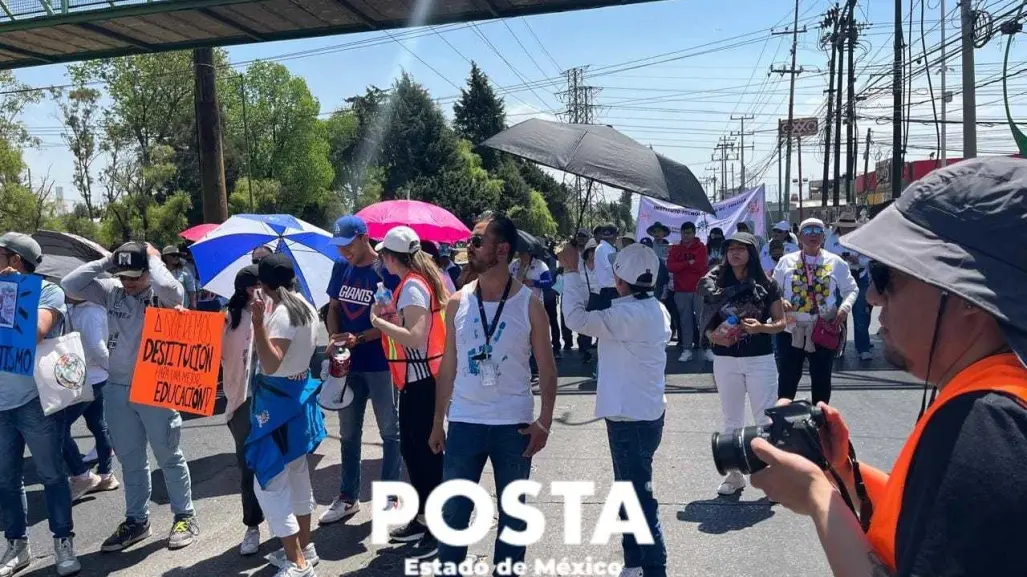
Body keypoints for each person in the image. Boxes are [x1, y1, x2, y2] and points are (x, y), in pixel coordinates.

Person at [751, 156, 1027, 577]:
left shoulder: (989, 428)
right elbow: (926, 520)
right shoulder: (994, 395)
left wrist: (816, 494)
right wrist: (844, 473)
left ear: (968, 297)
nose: (874, 297)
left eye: (888, 275)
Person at [428, 214, 557, 573]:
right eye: (470, 241)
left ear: (502, 250)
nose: (468, 247)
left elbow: (548, 369)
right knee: (452, 516)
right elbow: (448, 367)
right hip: (465, 423)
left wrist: (544, 423)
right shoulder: (457, 302)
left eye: (477, 241)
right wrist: (439, 422)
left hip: (512, 427)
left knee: (513, 522)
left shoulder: (529, 304)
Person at [63, 241, 199, 552]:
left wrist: (152, 260)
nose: (128, 282)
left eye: (134, 276)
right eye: (124, 276)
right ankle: (137, 520)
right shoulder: (111, 290)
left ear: (148, 272)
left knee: (168, 454)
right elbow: (70, 284)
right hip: (117, 386)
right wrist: (108, 261)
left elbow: (174, 292)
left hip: (155, 385)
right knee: (130, 459)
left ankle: (184, 516)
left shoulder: (161, 293)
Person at [560, 242, 671, 577]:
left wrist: (571, 271)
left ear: (621, 279)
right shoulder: (654, 309)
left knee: (637, 499)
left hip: (629, 419)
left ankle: (653, 567)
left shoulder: (626, 315)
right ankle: (634, 562)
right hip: (643, 414)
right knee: (630, 492)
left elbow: (574, 318)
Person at [0, 233, 80, 577]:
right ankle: (17, 545)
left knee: (51, 475)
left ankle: (63, 543)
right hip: (1, 405)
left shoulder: (48, 291)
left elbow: (35, 332)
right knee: (6, 480)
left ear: (15, 260)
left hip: (35, 401)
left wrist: (12, 293)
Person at [245, 255, 325, 577]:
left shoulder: (281, 314)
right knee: (296, 475)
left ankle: (298, 562)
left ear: (264, 286)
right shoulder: (306, 305)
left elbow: (272, 362)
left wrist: (257, 325)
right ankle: (305, 547)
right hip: (298, 399)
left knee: (268, 483)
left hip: (277, 407)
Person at [370, 226, 448, 558]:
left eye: (382, 255)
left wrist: (379, 322)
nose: (380, 260)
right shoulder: (411, 284)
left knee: (425, 454)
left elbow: (415, 337)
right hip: (417, 382)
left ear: (391, 257)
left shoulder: (413, 287)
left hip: (422, 382)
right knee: (414, 452)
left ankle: (436, 526)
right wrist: (390, 316)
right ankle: (422, 518)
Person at [320, 215, 402, 524]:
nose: (343, 252)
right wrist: (333, 338)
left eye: (348, 245)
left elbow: (395, 322)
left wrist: (362, 337)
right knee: (348, 433)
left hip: (380, 363)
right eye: (339, 246)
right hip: (347, 365)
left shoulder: (386, 271)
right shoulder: (341, 267)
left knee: (390, 432)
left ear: (364, 237)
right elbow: (334, 309)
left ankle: (392, 500)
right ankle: (347, 497)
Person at [698, 233, 786, 495]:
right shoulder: (712, 283)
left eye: (741, 249)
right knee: (731, 419)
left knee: (765, 419)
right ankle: (735, 475)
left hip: (760, 360)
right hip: (725, 361)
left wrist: (761, 327)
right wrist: (712, 336)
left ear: (753, 253)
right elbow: (704, 322)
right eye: (730, 249)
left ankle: (771, 479)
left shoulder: (767, 284)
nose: (734, 253)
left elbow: (781, 323)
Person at [772, 218, 858, 405]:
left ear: (824, 235)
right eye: (808, 231)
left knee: (821, 378)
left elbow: (851, 289)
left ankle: (822, 423)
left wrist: (844, 308)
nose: (813, 235)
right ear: (800, 235)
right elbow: (773, 289)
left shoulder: (836, 262)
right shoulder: (786, 261)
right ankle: (782, 423)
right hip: (791, 327)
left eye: (817, 231)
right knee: (787, 377)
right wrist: (781, 300)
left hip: (822, 327)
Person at [221, 265, 266, 556]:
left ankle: (288, 523)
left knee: (279, 464)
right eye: (255, 287)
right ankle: (252, 525)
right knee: (248, 466)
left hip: (271, 401)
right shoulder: (228, 318)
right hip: (240, 402)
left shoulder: (277, 313)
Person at [62, 294, 119, 501]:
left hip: (90, 378)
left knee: (58, 428)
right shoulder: (74, 308)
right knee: (98, 425)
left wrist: (112, 370)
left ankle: (82, 474)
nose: (63, 288)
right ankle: (106, 475)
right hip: (87, 376)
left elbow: (98, 348)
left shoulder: (90, 311)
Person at [826, 215, 872, 361]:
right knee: (839, 316)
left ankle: (863, 348)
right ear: (839, 226)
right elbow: (825, 259)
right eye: (844, 227)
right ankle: (839, 347)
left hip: (858, 277)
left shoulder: (862, 238)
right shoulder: (831, 239)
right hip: (838, 281)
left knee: (860, 316)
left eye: (850, 228)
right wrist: (839, 259)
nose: (847, 230)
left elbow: (869, 259)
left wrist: (858, 260)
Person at [667, 222, 709, 362]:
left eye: (689, 232)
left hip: (698, 290)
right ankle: (687, 349)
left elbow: (700, 265)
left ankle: (707, 348)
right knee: (685, 322)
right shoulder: (675, 248)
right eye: (684, 233)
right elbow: (671, 267)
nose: (686, 235)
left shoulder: (701, 247)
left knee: (702, 320)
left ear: (694, 233)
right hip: (681, 290)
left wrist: (684, 266)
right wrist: (687, 263)